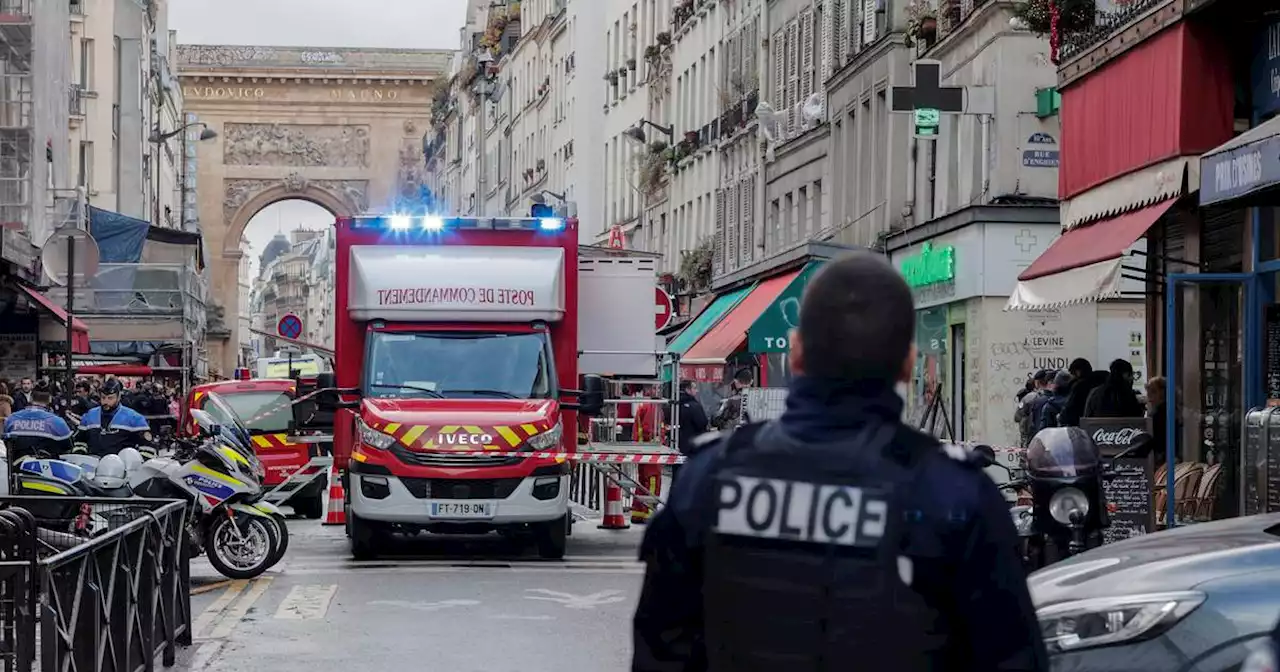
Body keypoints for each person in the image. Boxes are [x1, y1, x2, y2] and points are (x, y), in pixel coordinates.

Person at [631, 252, 1048, 671]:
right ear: (907, 363)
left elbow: (661, 649)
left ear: (795, 353)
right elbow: (1011, 656)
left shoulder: (711, 477)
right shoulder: (956, 495)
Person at [75, 378, 153, 457]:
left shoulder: (135, 418)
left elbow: (148, 448)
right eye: (103, 397)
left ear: (119, 397)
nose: (106, 402)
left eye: (110, 398)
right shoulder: (89, 416)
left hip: (123, 467)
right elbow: (79, 442)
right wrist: (80, 455)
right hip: (92, 465)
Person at [3, 381, 73, 461]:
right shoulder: (57, 422)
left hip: (16, 468)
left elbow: (7, 443)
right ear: (50, 399)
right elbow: (67, 447)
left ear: (31, 398)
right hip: (47, 469)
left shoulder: (11, 419)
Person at [669, 379, 710, 483]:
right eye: (694, 388)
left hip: (675, 446)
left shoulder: (673, 404)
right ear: (688, 389)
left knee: (676, 477)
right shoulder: (694, 406)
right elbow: (702, 423)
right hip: (692, 448)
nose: (696, 391)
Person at [1058, 358, 1106, 427]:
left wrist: (1061, 418)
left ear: (1078, 372)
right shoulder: (1104, 382)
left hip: (1080, 425)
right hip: (1103, 426)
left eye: (1072, 374)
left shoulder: (1079, 386)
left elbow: (1068, 410)